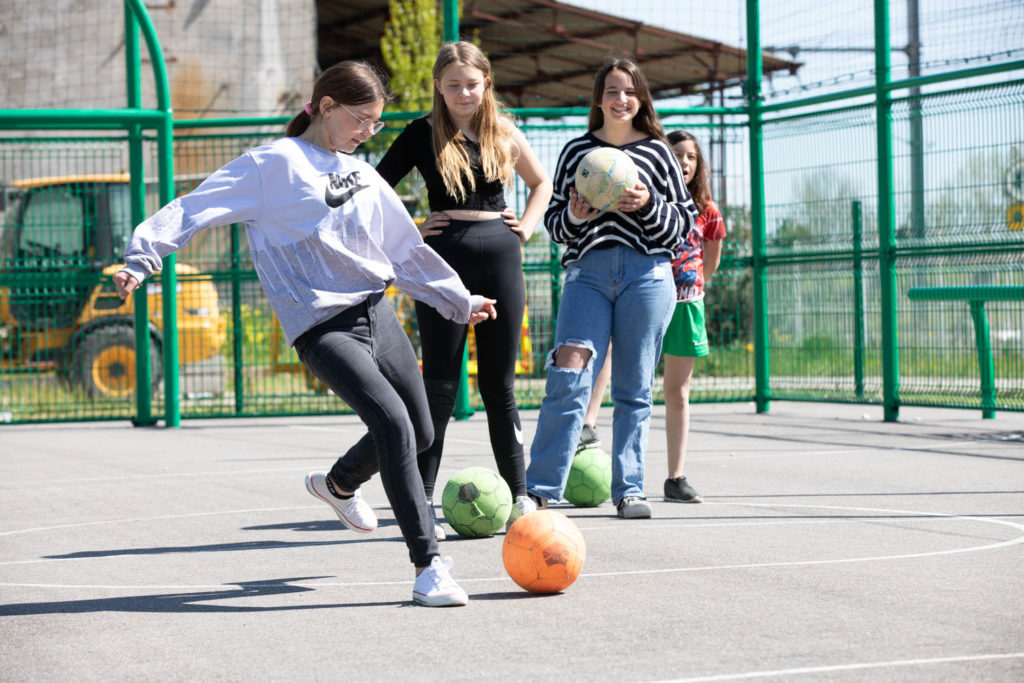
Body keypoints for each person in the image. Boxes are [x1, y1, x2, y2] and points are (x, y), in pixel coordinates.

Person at [112, 61, 497, 608]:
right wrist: (142, 257)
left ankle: (337, 485)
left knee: (422, 429)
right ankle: (428, 566)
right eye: (361, 119)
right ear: (326, 106)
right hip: (321, 325)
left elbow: (405, 248)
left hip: (376, 313)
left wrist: (459, 299)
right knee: (392, 424)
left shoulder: (362, 174)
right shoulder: (272, 166)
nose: (369, 131)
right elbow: (194, 207)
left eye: (376, 124)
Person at [376, 41, 552, 539]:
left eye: (471, 83)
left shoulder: (504, 132)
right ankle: (422, 497)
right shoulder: (421, 134)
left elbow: (542, 184)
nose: (463, 92)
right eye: (452, 84)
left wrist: (527, 228)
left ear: (486, 83)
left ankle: (519, 495)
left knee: (499, 385)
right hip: (443, 261)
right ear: (438, 86)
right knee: (440, 387)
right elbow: (374, 189)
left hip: (501, 256)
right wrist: (410, 229)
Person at [526, 56, 698, 520]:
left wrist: (646, 205)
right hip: (588, 275)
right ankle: (539, 489)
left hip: (648, 275)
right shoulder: (576, 151)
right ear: (598, 99)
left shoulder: (660, 152)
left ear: (640, 98)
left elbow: (682, 227)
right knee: (569, 374)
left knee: (634, 387)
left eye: (629, 91)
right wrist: (577, 216)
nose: (620, 99)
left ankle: (630, 490)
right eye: (611, 91)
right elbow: (556, 224)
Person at [662, 130, 726, 504]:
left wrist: (695, 284)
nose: (684, 162)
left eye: (690, 157)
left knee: (677, 392)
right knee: (631, 388)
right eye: (676, 155)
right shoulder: (651, 201)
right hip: (648, 300)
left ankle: (675, 477)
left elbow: (712, 254)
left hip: (686, 304)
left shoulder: (707, 209)